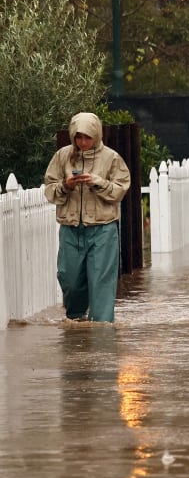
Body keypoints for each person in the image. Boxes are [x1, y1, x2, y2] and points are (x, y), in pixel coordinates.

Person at [43, 112, 131, 322]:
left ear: (97, 135)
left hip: (103, 229)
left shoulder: (112, 158)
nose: (83, 142)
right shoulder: (62, 156)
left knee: (101, 283)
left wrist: (97, 182)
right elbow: (49, 189)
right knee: (69, 280)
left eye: (87, 137)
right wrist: (66, 185)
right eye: (78, 137)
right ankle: (76, 324)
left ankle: (102, 337)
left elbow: (120, 190)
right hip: (70, 228)